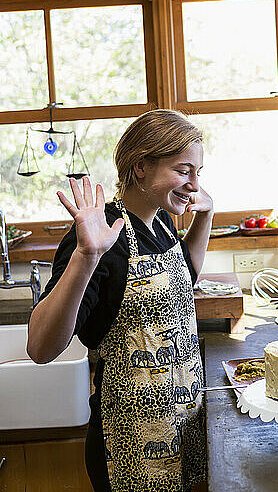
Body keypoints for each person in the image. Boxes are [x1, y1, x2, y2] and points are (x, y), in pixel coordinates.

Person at [27, 109, 213, 492]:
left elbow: (184, 279)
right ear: (141, 165)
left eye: (198, 172)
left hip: (181, 423)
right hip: (130, 440)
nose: (194, 184)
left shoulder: (159, 220)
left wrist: (204, 217)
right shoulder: (100, 237)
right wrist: (86, 255)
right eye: (183, 170)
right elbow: (41, 347)